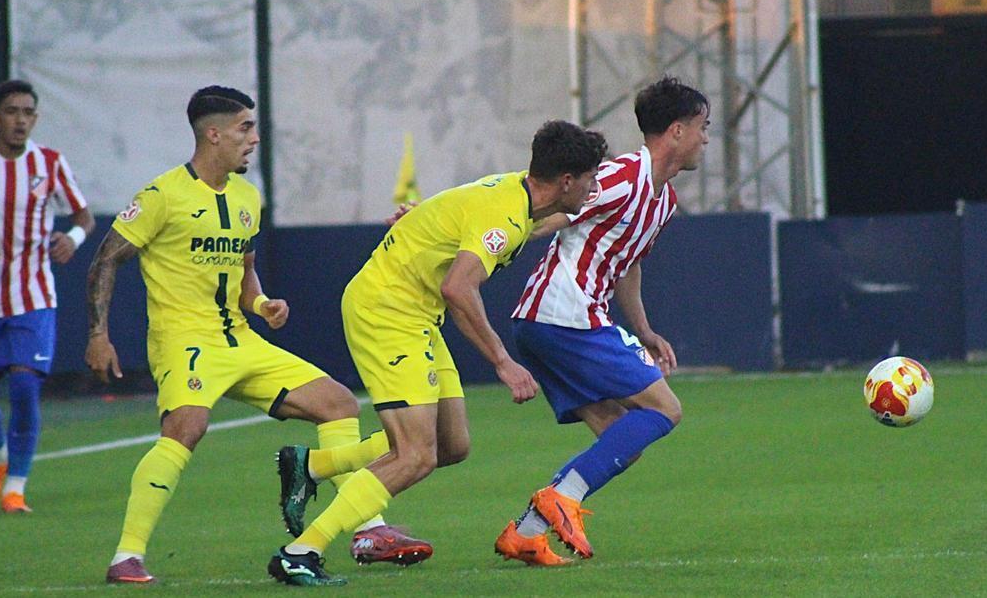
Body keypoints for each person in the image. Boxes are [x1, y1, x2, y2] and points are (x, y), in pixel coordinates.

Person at [85, 86, 429, 585]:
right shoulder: (161, 196)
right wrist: (98, 333)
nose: (253, 138)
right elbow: (105, 260)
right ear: (213, 133)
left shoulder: (248, 197)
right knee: (185, 429)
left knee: (338, 403)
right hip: (187, 342)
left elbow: (244, 275)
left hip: (242, 340)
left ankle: (366, 529)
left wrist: (262, 303)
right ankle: (126, 556)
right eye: (245, 127)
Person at [267, 120, 607, 586]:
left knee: (451, 445)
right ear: (565, 180)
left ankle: (313, 466)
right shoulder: (504, 215)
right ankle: (300, 551)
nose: (593, 187)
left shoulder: (519, 194)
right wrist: (503, 362)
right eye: (589, 179)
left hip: (417, 316)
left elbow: (516, 220)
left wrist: (423, 218)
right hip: (387, 311)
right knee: (416, 455)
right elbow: (458, 288)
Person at [494, 76, 709, 565]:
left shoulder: (663, 200)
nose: (706, 138)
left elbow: (628, 264)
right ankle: (561, 499)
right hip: (564, 315)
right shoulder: (620, 175)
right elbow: (547, 213)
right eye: (703, 126)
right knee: (665, 408)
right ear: (676, 131)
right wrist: (462, 238)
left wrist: (645, 331)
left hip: (546, 323)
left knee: (621, 438)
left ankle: (526, 532)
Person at [0, 79, 94, 514]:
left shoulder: (49, 162)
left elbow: (83, 214)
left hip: (34, 296)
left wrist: (73, 238)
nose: (21, 120)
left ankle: (15, 489)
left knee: (25, 388)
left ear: (35, 118)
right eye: (12, 111)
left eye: (28, 112)